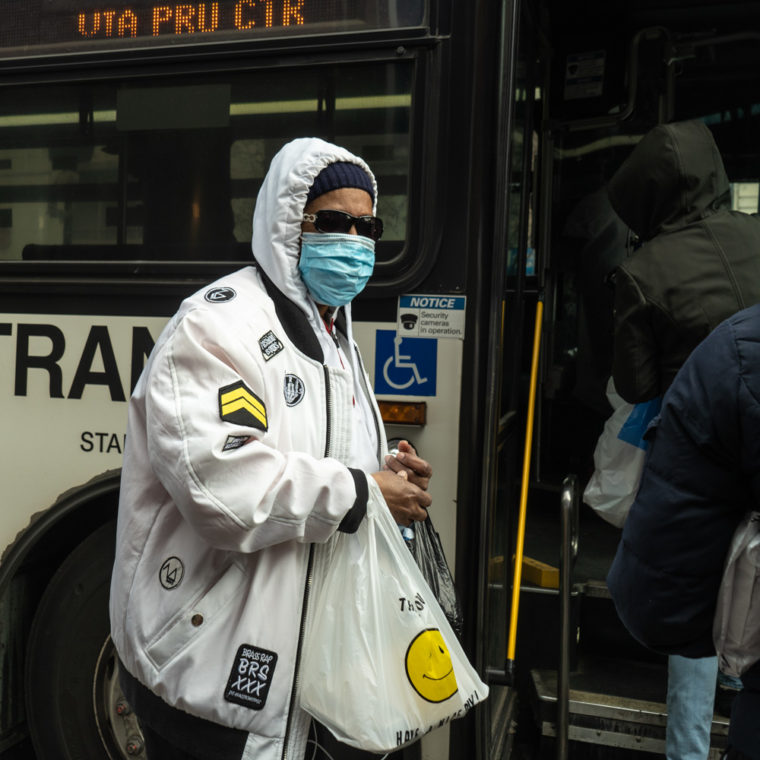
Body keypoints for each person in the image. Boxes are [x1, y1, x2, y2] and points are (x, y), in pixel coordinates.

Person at [109, 137, 433, 760]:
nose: (354, 240)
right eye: (333, 222)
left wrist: (386, 473)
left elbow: (327, 462)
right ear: (289, 223)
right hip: (210, 684)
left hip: (308, 677)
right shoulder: (214, 326)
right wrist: (364, 493)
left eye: (368, 226)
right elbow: (222, 488)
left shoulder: (335, 334)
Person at [605, 118, 760, 760]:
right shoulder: (757, 232)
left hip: (694, 443)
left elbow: (635, 380)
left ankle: (689, 748)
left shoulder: (643, 268)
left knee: (695, 590)